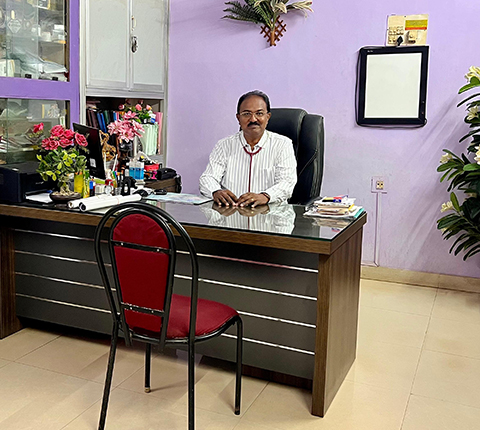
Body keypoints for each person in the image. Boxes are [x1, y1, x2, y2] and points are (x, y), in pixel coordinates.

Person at [199, 90, 297, 207]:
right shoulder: (224, 145)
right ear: (238, 118)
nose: (253, 119)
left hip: (271, 213)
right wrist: (216, 191)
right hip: (232, 212)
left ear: (268, 117)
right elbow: (208, 178)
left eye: (259, 113)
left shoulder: (283, 144)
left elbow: (287, 182)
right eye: (246, 114)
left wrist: (265, 196)